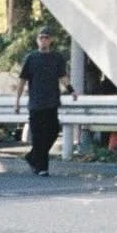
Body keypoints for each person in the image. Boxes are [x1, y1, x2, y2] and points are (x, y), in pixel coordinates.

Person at [14, 28, 75, 177]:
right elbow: (22, 80)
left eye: (46, 37)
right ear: (37, 40)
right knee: (38, 136)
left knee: (53, 131)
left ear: (51, 40)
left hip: (52, 101)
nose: (44, 40)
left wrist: (71, 89)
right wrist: (17, 101)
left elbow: (62, 76)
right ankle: (42, 167)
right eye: (41, 38)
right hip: (35, 103)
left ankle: (33, 157)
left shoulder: (56, 58)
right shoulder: (31, 58)